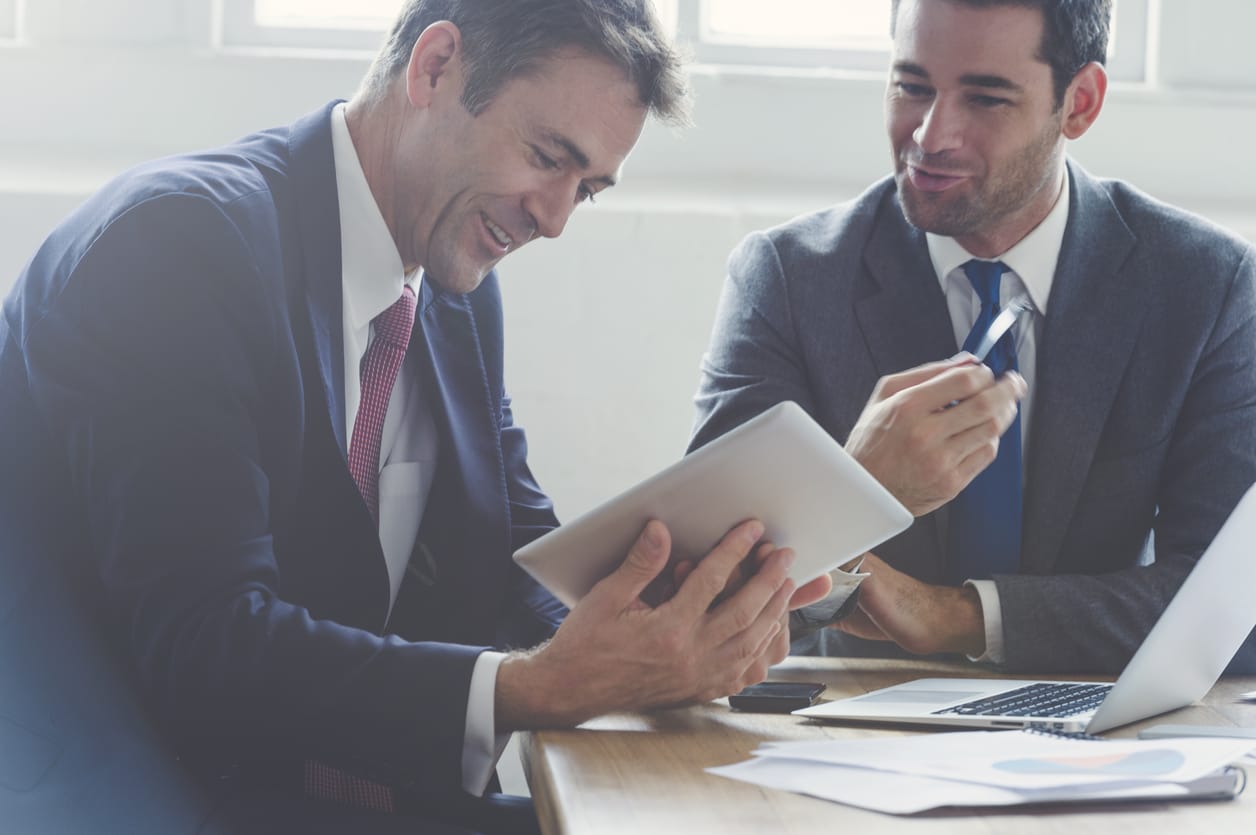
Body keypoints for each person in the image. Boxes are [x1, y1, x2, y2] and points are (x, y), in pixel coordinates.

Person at [0, 1, 828, 832]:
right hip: (173, 800)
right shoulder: (177, 244)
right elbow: (206, 647)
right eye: (548, 158)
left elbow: (515, 551)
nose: (555, 218)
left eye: (589, 190)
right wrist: (540, 686)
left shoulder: (455, 288)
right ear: (434, 68)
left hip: (364, 799)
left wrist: (669, 621)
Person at [690, 0, 1256, 676]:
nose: (931, 135)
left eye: (986, 99)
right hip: (842, 721)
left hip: (1097, 731)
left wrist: (955, 615)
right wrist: (856, 484)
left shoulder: (1206, 286)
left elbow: (1234, 607)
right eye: (911, 86)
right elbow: (701, 590)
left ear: (1079, 102)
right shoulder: (787, 278)